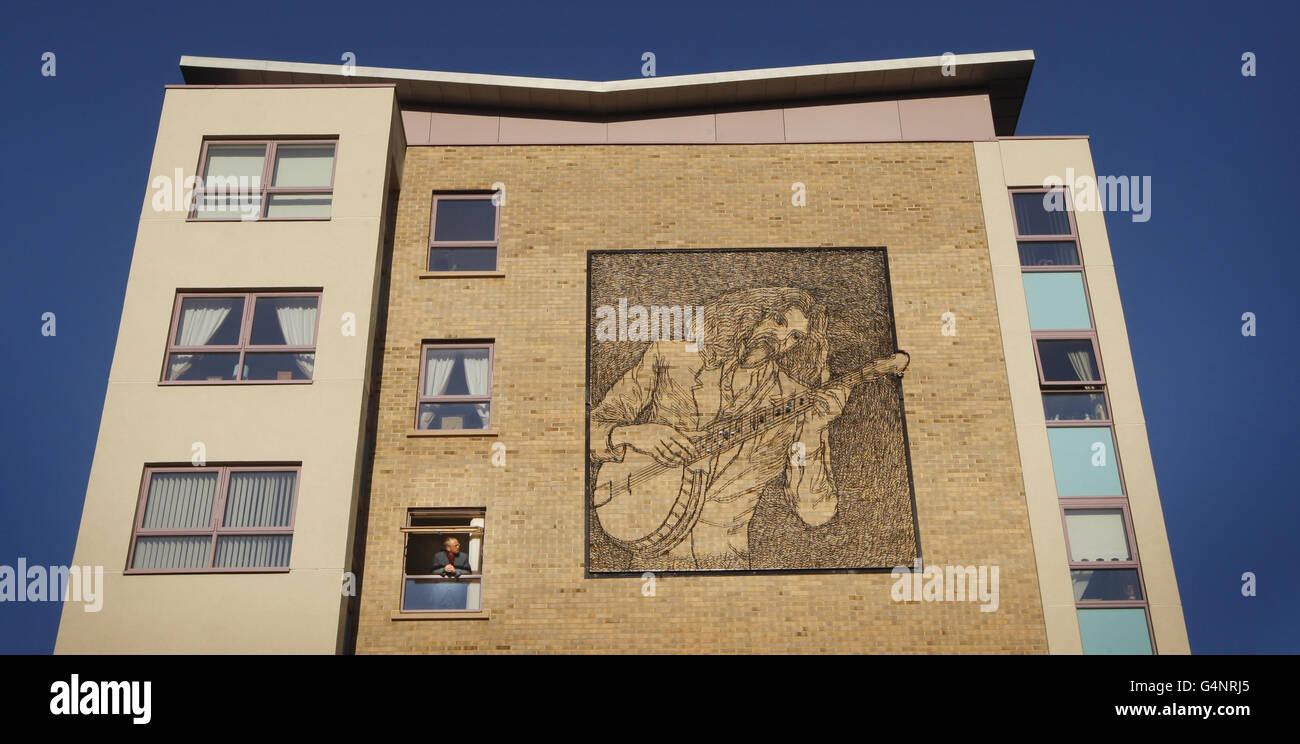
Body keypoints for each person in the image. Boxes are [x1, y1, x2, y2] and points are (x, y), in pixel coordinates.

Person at [590, 286, 907, 569]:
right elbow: (589, 431)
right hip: (648, 547)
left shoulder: (796, 401)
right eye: (779, 322)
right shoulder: (672, 356)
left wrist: (813, 431)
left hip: (724, 560)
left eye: (795, 337)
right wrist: (632, 434)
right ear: (750, 314)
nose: (781, 339)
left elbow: (816, 511)